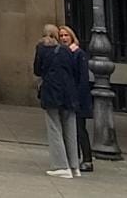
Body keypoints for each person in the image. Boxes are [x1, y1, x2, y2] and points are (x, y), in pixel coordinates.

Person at [34, 24, 82, 178]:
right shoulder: (67, 51)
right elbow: (75, 72)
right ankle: (74, 166)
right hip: (69, 93)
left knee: (54, 126)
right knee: (70, 128)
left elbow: (37, 70)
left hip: (52, 92)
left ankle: (61, 165)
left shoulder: (42, 49)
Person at [58, 25, 95, 172]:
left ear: (72, 37)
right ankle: (74, 157)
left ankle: (87, 159)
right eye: (61, 36)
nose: (63, 38)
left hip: (78, 98)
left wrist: (77, 98)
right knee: (70, 129)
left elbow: (82, 79)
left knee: (80, 129)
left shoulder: (78, 54)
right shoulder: (62, 53)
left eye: (66, 35)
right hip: (67, 96)